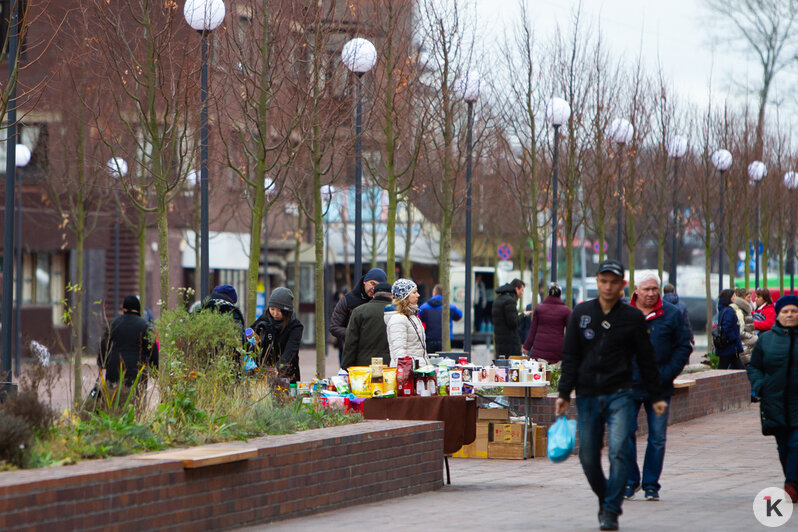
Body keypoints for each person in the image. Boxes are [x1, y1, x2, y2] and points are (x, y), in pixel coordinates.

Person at [556, 260, 666, 531]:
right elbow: (570, 357)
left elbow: (647, 359)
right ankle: (607, 499)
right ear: (597, 282)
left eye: (613, 282)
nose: (607, 286)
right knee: (588, 457)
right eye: (603, 281)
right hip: (588, 395)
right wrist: (563, 393)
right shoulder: (581, 313)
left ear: (622, 285)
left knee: (619, 451)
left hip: (620, 394)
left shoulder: (632, 318)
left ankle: (610, 511)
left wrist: (656, 396)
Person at [625, 272, 692, 502]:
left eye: (655, 289)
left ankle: (651, 484)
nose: (652, 293)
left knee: (657, 437)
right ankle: (630, 480)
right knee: (624, 433)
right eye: (646, 289)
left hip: (659, 387)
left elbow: (684, 347)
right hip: (628, 385)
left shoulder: (672, 314)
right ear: (636, 290)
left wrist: (666, 374)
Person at [747, 294, 798, 503]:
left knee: (796, 444)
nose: (790, 315)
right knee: (784, 446)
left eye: (794, 311)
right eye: (785, 311)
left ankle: (792, 485)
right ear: (778, 314)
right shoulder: (766, 340)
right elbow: (754, 366)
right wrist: (760, 386)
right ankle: (792, 479)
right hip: (775, 402)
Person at [98, 295, 159, 388]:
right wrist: (154, 369)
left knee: (114, 399)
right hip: (136, 372)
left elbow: (104, 344)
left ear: (123, 308)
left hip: (115, 369)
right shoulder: (145, 326)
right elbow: (152, 349)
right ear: (138, 308)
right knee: (135, 400)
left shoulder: (114, 323)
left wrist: (102, 362)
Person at [329, 268, 387, 361]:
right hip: (352, 351)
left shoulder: (385, 303)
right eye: (372, 283)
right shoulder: (348, 300)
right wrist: (355, 335)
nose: (374, 288)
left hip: (378, 354)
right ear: (365, 281)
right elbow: (334, 327)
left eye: (378, 286)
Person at [251, 287, 303, 383]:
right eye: (272, 309)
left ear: (287, 311)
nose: (275, 314)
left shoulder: (295, 326)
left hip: (286, 374)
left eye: (279, 311)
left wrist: (278, 368)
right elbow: (251, 333)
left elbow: (290, 351)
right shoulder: (265, 318)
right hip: (263, 371)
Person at [342, 282, 392, 369]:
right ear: (392, 296)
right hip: (390, 368)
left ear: (373, 295)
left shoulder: (359, 311)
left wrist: (346, 367)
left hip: (363, 367)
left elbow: (351, 343)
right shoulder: (399, 313)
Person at [522, 283, 571, 364]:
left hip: (539, 350)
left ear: (548, 294)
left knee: (539, 373)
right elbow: (571, 332)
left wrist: (526, 347)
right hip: (557, 349)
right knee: (555, 374)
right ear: (560, 295)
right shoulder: (566, 311)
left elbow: (533, 331)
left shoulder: (539, 309)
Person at [385, 278, 428, 367]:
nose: (418, 295)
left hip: (417, 370)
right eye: (414, 292)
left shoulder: (412, 316)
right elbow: (399, 354)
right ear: (405, 296)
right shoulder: (398, 319)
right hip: (408, 373)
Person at [418, 284, 463, 354]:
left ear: (434, 293)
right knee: (445, 362)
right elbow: (459, 316)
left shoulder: (424, 307)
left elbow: (418, 318)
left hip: (429, 340)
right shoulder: (450, 307)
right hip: (445, 340)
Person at [492, 278, 530, 356]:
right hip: (510, 344)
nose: (522, 293)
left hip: (500, 343)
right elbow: (513, 323)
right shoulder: (510, 301)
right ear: (516, 289)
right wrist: (523, 315)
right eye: (521, 290)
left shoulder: (498, 299)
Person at [716, 289, 744, 369]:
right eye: (733, 296)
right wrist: (733, 338)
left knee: (733, 366)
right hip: (730, 346)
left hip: (728, 346)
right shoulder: (729, 311)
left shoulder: (722, 310)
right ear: (729, 298)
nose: (735, 298)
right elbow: (727, 328)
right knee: (723, 368)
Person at [732, 288, 756, 364]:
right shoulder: (740, 310)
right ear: (742, 298)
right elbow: (739, 330)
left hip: (747, 343)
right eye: (748, 297)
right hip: (744, 343)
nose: (750, 299)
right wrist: (751, 337)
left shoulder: (747, 309)